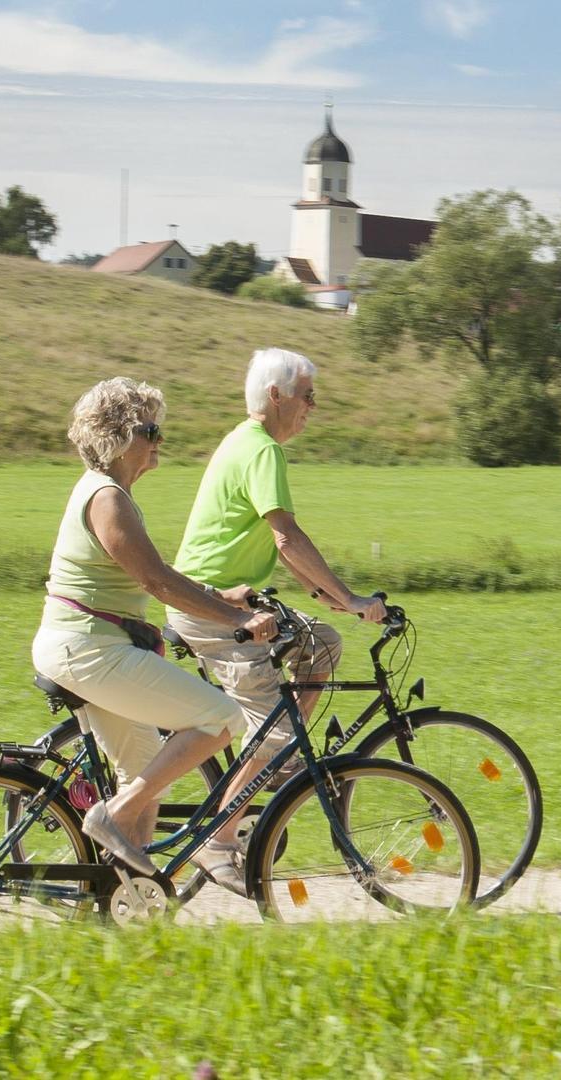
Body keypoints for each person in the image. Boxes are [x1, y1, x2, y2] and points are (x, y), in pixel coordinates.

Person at [31, 377, 277, 877]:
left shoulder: (112, 494)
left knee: (148, 776)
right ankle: (112, 817)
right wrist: (239, 620)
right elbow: (155, 581)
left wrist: (217, 597)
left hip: (91, 648)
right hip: (89, 650)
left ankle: (132, 899)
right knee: (223, 718)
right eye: (151, 430)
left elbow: (154, 573)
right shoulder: (107, 498)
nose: (159, 440)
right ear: (118, 434)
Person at [169, 347, 388, 894]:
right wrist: (351, 596)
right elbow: (286, 537)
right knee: (276, 730)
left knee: (323, 643)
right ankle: (217, 841)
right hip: (212, 607)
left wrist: (332, 599)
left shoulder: (246, 442)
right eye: (307, 396)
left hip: (234, 600)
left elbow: (277, 546)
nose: (313, 408)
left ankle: (282, 765)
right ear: (277, 395)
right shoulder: (261, 449)